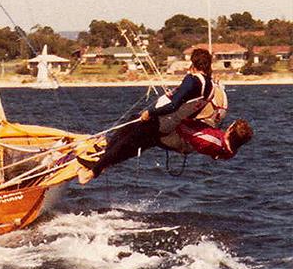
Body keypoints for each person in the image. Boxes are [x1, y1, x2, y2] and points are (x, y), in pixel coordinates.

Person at [76, 48, 232, 183]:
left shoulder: (192, 80)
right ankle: (102, 162)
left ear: (193, 63)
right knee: (130, 133)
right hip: (168, 124)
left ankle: (90, 174)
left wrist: (151, 112)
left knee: (126, 141)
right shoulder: (210, 86)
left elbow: (174, 105)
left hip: (161, 121)